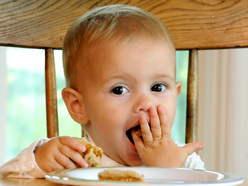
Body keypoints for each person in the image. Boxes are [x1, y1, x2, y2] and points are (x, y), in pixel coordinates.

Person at [0, 4, 204, 178]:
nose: (145, 103)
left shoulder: (184, 163)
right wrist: (39, 162)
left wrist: (169, 172)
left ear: (176, 95)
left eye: (157, 87)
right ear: (78, 106)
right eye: (119, 89)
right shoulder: (73, 159)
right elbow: (9, 177)